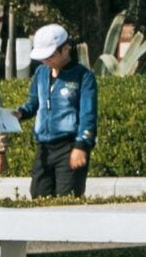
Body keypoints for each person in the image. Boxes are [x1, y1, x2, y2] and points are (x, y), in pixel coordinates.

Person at [22, 23, 95, 199]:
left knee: (66, 200)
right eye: (42, 57)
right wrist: (18, 114)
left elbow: (88, 114)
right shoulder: (40, 72)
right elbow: (33, 103)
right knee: (38, 197)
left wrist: (81, 146)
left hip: (69, 146)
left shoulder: (83, 76)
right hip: (44, 148)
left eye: (50, 55)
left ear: (66, 49)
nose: (46, 61)